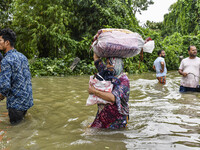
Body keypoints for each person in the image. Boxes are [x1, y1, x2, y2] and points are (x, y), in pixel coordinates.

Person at [0, 28, 33, 125]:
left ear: (7, 42)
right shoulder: (22, 56)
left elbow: (5, 86)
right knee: (23, 129)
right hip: (26, 101)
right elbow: (26, 78)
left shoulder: (6, 60)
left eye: (0, 41)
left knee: (16, 134)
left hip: (15, 105)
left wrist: (1, 95)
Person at [88, 53, 130, 129]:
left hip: (116, 120)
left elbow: (113, 98)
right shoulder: (107, 74)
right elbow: (97, 59)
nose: (107, 66)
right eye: (107, 63)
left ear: (117, 64)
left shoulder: (123, 80)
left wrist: (94, 91)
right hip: (102, 116)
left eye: (110, 64)